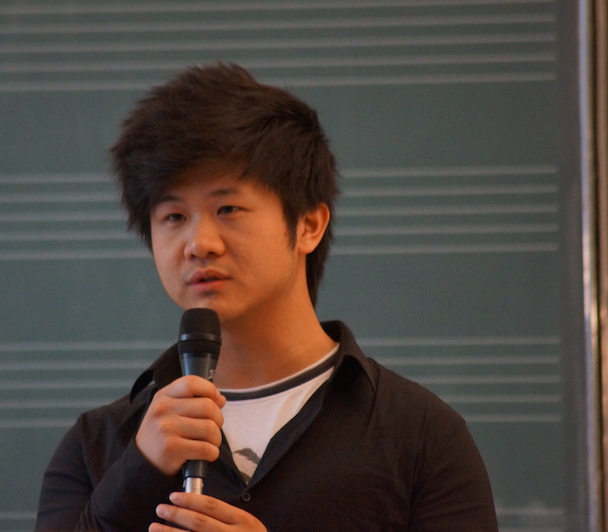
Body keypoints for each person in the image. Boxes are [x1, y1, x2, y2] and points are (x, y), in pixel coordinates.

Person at [35, 62, 498, 531]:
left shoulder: (420, 436)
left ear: (309, 225)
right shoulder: (96, 446)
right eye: (173, 217)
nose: (199, 243)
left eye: (228, 208)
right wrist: (137, 471)